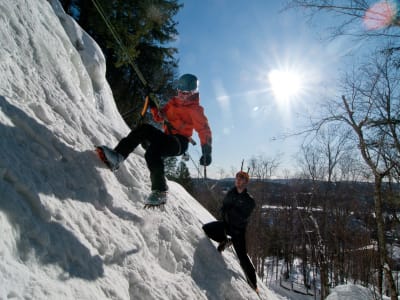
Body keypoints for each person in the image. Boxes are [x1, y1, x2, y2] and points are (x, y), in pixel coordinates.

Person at [97, 73, 212, 205]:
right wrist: (152, 104)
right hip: (167, 137)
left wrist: (206, 151)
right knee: (144, 130)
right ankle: (117, 157)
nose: (182, 96)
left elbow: (204, 130)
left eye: (186, 93)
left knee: (153, 152)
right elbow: (159, 116)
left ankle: (160, 191)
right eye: (180, 92)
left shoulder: (196, 109)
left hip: (179, 142)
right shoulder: (173, 103)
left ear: (193, 93)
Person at [202, 171, 258, 291]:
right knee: (207, 229)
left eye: (241, 178)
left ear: (246, 182)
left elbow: (242, 217)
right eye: (237, 178)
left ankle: (254, 285)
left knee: (242, 257)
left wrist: (230, 211)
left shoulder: (249, 200)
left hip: (238, 231)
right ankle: (225, 240)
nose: (238, 180)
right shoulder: (231, 193)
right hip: (227, 225)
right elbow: (224, 207)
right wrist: (223, 211)